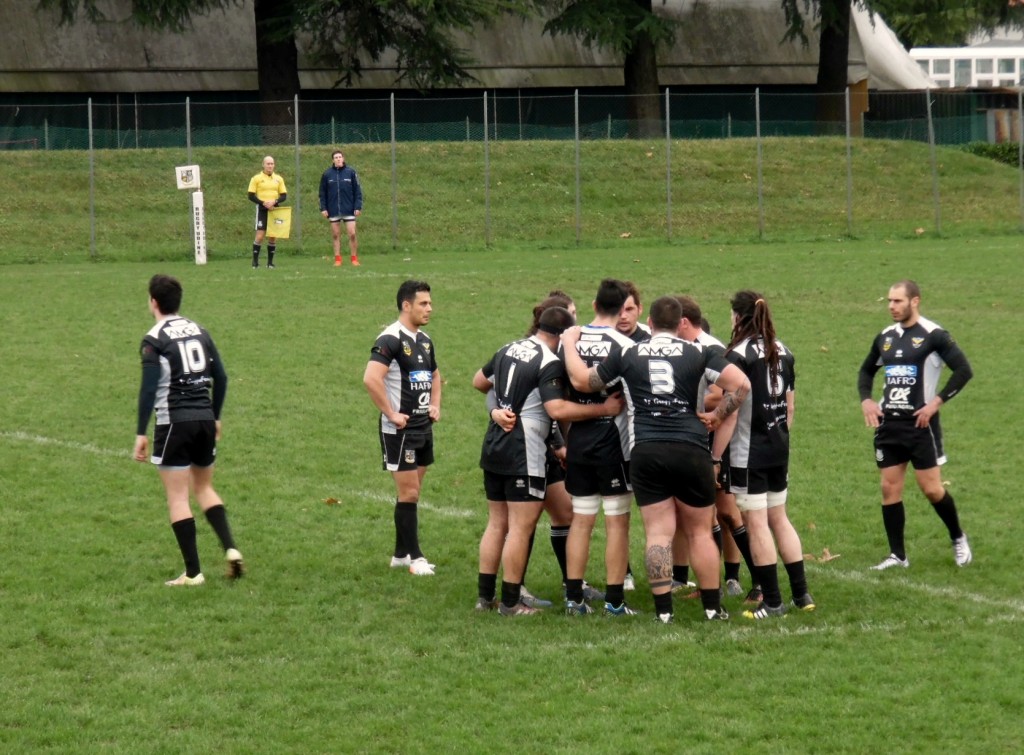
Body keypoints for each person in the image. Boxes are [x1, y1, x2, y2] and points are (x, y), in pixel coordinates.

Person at [562, 296, 750, 623]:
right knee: (700, 532)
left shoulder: (628, 353)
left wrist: (568, 344)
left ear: (648, 322)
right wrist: (718, 415)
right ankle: (712, 607)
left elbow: (583, 381)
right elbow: (742, 385)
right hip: (691, 449)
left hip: (647, 450)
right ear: (680, 324)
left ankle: (663, 611)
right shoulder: (699, 352)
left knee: (658, 533)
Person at [473, 307, 624, 616]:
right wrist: (604, 409)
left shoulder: (509, 347)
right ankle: (511, 603)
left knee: (498, 522)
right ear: (562, 335)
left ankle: (485, 598)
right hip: (523, 450)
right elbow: (556, 409)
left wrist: (497, 409)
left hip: (494, 444)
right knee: (520, 527)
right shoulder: (549, 361)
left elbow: (479, 381)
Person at [133, 274, 244, 586]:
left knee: (178, 497)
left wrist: (141, 432)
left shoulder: (154, 340)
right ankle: (231, 548)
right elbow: (221, 377)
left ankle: (193, 573)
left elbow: (148, 390)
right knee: (204, 488)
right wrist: (215, 416)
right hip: (205, 420)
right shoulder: (199, 330)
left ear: (154, 302)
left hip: (174, 423)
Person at [858, 279, 974, 570]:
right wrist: (867, 400)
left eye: (897, 301)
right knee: (889, 489)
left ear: (915, 301)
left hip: (921, 426)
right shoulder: (885, 337)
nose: (891, 306)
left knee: (932, 489)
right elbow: (866, 371)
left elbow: (963, 370)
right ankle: (898, 555)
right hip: (889, 425)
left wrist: (936, 403)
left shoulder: (934, 335)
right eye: (889, 301)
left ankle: (958, 537)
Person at [725, 291, 814, 620]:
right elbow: (790, 408)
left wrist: (717, 451)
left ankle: (773, 602)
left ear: (738, 317)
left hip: (749, 452)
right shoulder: (784, 351)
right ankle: (802, 595)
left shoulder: (737, 355)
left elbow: (731, 410)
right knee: (780, 518)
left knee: (757, 522)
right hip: (778, 447)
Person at [561, 279, 638, 616]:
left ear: (594, 305)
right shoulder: (626, 345)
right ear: (622, 310)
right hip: (613, 442)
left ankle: (573, 598)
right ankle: (615, 601)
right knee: (617, 522)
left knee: (581, 520)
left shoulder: (570, 340)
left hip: (578, 438)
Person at [675, 295, 757, 601]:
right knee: (709, 514)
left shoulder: (710, 349)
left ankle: (757, 582)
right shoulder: (692, 346)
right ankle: (712, 584)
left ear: (683, 322)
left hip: (719, 442)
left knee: (727, 513)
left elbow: (725, 398)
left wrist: (715, 457)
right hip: (702, 440)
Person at [363, 280, 442, 576]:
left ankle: (399, 555)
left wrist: (435, 404)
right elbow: (371, 378)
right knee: (409, 493)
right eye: (424, 303)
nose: (429, 308)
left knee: (412, 493)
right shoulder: (390, 339)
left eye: (430, 303)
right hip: (400, 431)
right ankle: (416, 558)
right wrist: (391, 413)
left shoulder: (425, 340)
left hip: (423, 428)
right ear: (406, 305)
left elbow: (435, 375)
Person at [319, 149, 363, 267]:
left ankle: (354, 258)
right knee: (335, 235)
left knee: (352, 234)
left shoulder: (351, 172)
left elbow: (357, 191)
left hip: (349, 209)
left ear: (343, 158)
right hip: (333, 209)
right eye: (336, 157)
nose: (338, 159)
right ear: (333, 160)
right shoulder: (327, 174)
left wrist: (357, 206)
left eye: (340, 157)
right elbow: (322, 193)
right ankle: (338, 259)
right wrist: (323, 208)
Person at [247, 155, 287, 269]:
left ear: (274, 165)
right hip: (262, 209)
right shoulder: (256, 178)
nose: (270, 166)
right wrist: (263, 203)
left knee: (273, 236)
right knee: (260, 236)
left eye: (272, 164)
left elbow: (284, 195)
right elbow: (250, 195)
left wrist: (274, 201)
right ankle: (255, 262)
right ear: (263, 165)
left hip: (274, 209)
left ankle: (270, 263)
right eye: (268, 164)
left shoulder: (278, 179)